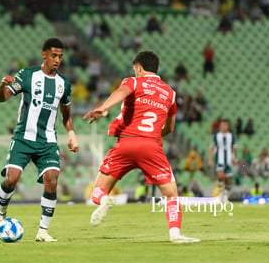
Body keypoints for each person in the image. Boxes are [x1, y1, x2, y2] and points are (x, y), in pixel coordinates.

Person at [83, 51, 199, 243]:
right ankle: (175, 235)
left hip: (126, 144)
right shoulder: (170, 94)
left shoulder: (133, 82)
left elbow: (120, 93)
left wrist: (104, 107)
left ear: (139, 68)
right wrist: (150, 136)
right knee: (171, 195)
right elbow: (169, 128)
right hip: (151, 146)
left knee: (98, 190)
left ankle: (104, 200)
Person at [0, 38, 79, 242]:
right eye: (54, 56)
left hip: (47, 141)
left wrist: (71, 135)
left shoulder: (63, 83)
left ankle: (43, 231)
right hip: (23, 137)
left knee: (52, 179)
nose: (57, 60)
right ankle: (0, 216)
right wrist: (2, 86)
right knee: (11, 179)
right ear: (44, 55)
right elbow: (3, 98)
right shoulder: (28, 75)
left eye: (60, 56)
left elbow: (66, 114)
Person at [207, 119, 237, 202]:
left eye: (225, 125)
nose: (224, 126)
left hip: (229, 160)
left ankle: (226, 196)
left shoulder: (231, 136)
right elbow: (211, 147)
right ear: (220, 126)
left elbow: (234, 147)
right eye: (222, 125)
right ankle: (220, 194)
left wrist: (235, 158)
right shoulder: (216, 136)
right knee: (220, 176)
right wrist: (210, 159)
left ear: (228, 126)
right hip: (219, 160)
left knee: (228, 179)